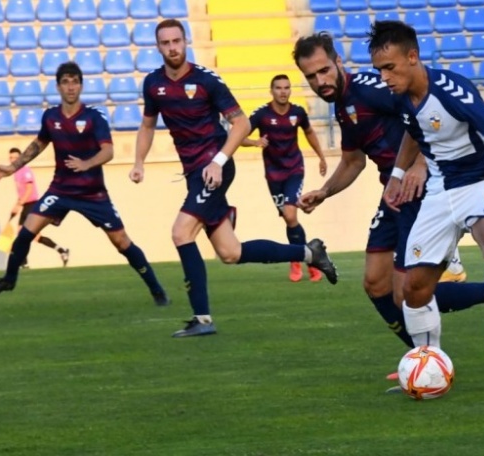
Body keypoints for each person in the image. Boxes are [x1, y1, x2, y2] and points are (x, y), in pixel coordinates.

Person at [130, 19, 338, 338]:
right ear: (158, 47)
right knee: (231, 252)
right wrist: (139, 162)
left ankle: (202, 319)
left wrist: (218, 160)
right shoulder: (153, 84)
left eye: (176, 41)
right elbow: (147, 126)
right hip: (193, 174)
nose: (172, 47)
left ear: (185, 42)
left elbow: (240, 124)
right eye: (165, 43)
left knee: (181, 232)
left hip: (216, 168)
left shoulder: (206, 80)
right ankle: (309, 254)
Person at [293, 33, 484, 359]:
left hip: (422, 191)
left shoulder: (371, 89)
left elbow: (425, 112)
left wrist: (418, 164)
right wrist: (325, 192)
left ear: (338, 62)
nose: (321, 81)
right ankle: (422, 359)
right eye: (312, 76)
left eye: (324, 70)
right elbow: (353, 160)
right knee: (375, 283)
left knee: (406, 294)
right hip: (393, 195)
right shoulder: (344, 108)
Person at [369, 21, 484, 357]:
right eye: (379, 70)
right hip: (439, 190)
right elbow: (414, 133)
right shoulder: (400, 99)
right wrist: (397, 175)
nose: (384, 77)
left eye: (389, 67)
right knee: (413, 289)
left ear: (412, 57)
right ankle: (429, 363)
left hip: (480, 180)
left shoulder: (450, 90)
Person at [0, 62, 169, 308]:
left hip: (93, 193)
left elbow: (109, 151)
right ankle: (9, 279)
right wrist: (13, 167)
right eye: (66, 82)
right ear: (58, 86)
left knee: (122, 242)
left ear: (81, 85)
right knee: (25, 232)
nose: (71, 87)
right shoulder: (51, 117)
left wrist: (86, 163)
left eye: (75, 81)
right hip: (60, 190)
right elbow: (38, 144)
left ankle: (156, 289)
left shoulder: (93, 116)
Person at [242, 74, 328, 282]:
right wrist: (255, 142)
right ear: (271, 91)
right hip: (273, 175)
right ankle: (307, 256)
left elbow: (309, 133)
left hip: (294, 170)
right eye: (279, 88)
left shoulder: (298, 112)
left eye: (287, 87)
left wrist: (321, 156)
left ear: (290, 90)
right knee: (290, 221)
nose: (283, 91)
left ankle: (299, 261)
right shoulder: (262, 114)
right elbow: (238, 136)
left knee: (290, 215)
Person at [7, 147, 71, 268]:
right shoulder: (16, 173)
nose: (13, 160)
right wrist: (16, 205)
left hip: (31, 205)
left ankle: (24, 263)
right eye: (11, 158)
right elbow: (22, 193)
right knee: (34, 237)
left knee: (23, 234)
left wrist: (19, 205)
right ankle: (62, 251)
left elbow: (29, 189)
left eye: (15, 157)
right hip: (26, 205)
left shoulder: (25, 170)